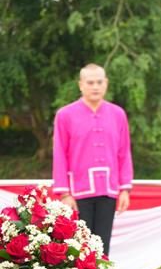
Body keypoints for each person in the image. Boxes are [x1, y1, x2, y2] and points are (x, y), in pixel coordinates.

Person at [52, 64, 133, 255]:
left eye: (99, 82)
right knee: (79, 247)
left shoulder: (118, 114)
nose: (95, 86)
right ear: (81, 85)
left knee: (103, 246)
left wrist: (125, 189)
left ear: (106, 84)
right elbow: (59, 155)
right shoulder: (65, 115)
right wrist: (64, 194)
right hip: (78, 192)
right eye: (90, 82)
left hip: (109, 189)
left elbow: (124, 152)